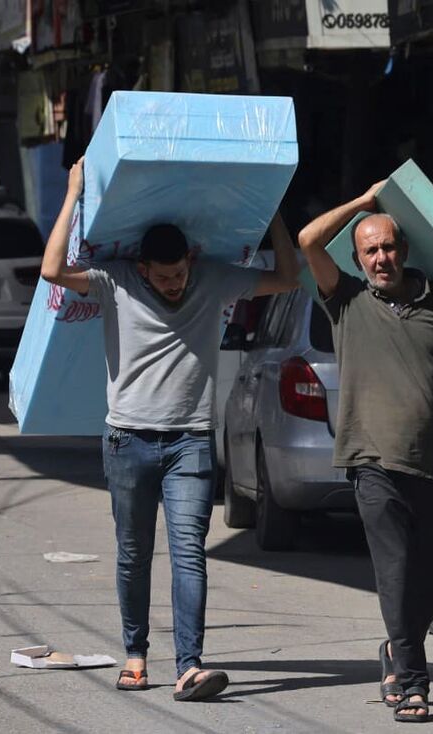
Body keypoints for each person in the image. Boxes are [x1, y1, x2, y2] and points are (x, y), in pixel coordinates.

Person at [40, 157, 301, 701]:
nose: (175, 284)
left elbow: (286, 277)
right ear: (141, 266)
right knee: (133, 553)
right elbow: (51, 272)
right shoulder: (114, 282)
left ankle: (189, 665)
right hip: (127, 439)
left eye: (180, 272)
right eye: (164, 277)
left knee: (189, 551)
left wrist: (274, 212)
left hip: (190, 441)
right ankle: (135, 654)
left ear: (192, 259)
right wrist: (71, 195)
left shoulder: (211, 278)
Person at [298, 183, 433, 723]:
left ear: (405, 251)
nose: (380, 258)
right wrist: (363, 204)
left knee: (432, 573)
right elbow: (307, 240)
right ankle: (415, 683)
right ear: (358, 259)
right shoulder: (345, 300)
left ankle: (397, 649)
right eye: (370, 251)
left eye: (388, 248)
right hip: (372, 461)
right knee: (395, 571)